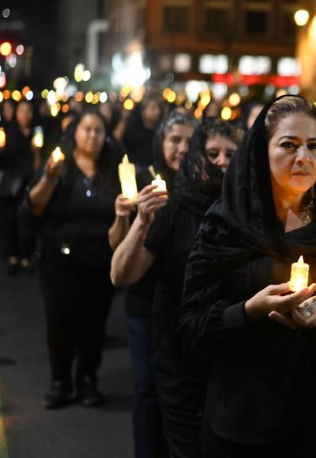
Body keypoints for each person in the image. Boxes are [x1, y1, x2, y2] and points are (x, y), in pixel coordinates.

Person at [178, 95, 316, 456]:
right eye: (289, 145)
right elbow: (189, 324)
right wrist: (248, 311)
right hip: (244, 417)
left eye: (314, 146)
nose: (303, 158)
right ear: (262, 151)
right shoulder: (225, 225)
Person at [111, 118, 241, 457]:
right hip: (177, 353)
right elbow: (121, 275)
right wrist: (141, 221)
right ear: (196, 157)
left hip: (228, 356)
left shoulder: (245, 212)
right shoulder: (175, 206)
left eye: (231, 154)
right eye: (212, 153)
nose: (222, 162)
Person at [112, 109, 197, 458]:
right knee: (148, 385)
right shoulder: (143, 183)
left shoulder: (202, 184)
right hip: (146, 302)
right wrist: (127, 217)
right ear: (160, 143)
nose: (181, 148)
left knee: (180, 389)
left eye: (190, 142)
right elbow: (116, 250)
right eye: (174, 140)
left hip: (185, 304)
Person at [27, 109, 123, 409]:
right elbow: (34, 206)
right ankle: (60, 381)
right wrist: (49, 178)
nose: (92, 136)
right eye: (87, 129)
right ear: (75, 133)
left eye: (98, 130)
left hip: (99, 262)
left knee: (94, 323)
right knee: (60, 320)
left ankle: (87, 379)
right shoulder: (60, 167)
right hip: (60, 263)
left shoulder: (114, 171)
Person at [0, 98, 40, 274]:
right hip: (11, 183)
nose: (26, 115)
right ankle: (12, 256)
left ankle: (26, 255)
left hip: (28, 182)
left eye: (29, 111)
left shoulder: (36, 132)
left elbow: (37, 159)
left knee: (27, 219)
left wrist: (37, 152)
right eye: (22, 111)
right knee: (10, 220)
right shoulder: (7, 130)